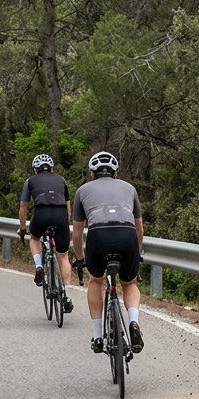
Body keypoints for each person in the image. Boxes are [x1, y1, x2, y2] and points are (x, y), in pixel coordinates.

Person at [71, 151, 145, 355]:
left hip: (98, 235)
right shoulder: (129, 188)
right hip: (127, 234)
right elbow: (139, 229)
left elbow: (77, 234)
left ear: (92, 173)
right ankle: (133, 322)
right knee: (129, 283)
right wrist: (136, 254)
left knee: (96, 280)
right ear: (115, 172)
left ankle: (96, 336)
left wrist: (79, 259)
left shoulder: (82, 190)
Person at [17, 153, 74, 313]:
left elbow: (23, 207)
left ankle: (39, 265)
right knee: (63, 256)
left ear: (35, 170)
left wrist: (22, 228)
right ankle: (67, 295)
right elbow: (68, 208)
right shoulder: (61, 180)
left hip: (41, 214)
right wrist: (63, 224)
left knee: (34, 238)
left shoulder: (30, 181)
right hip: (61, 215)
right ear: (52, 168)